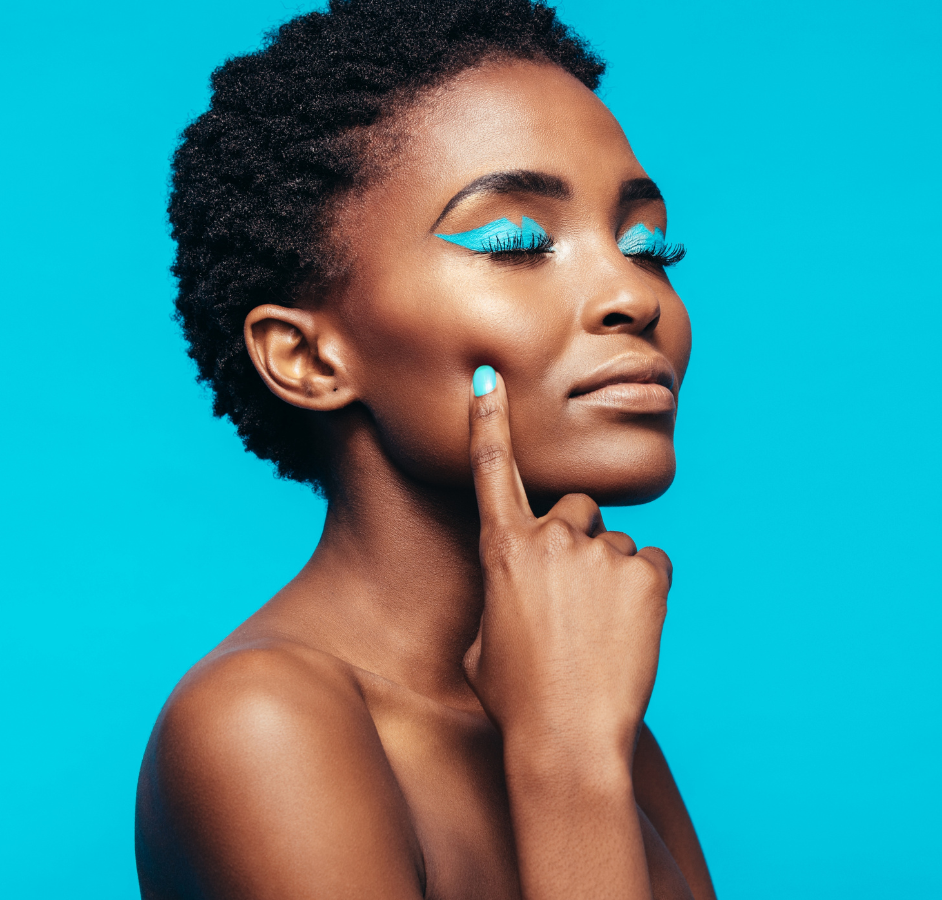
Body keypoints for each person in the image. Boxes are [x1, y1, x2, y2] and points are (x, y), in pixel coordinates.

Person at [137, 0, 715, 896]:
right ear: (309, 357)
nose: (632, 295)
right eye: (518, 241)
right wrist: (566, 767)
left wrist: (577, 745)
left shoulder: (591, 709)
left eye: (649, 245)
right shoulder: (263, 721)